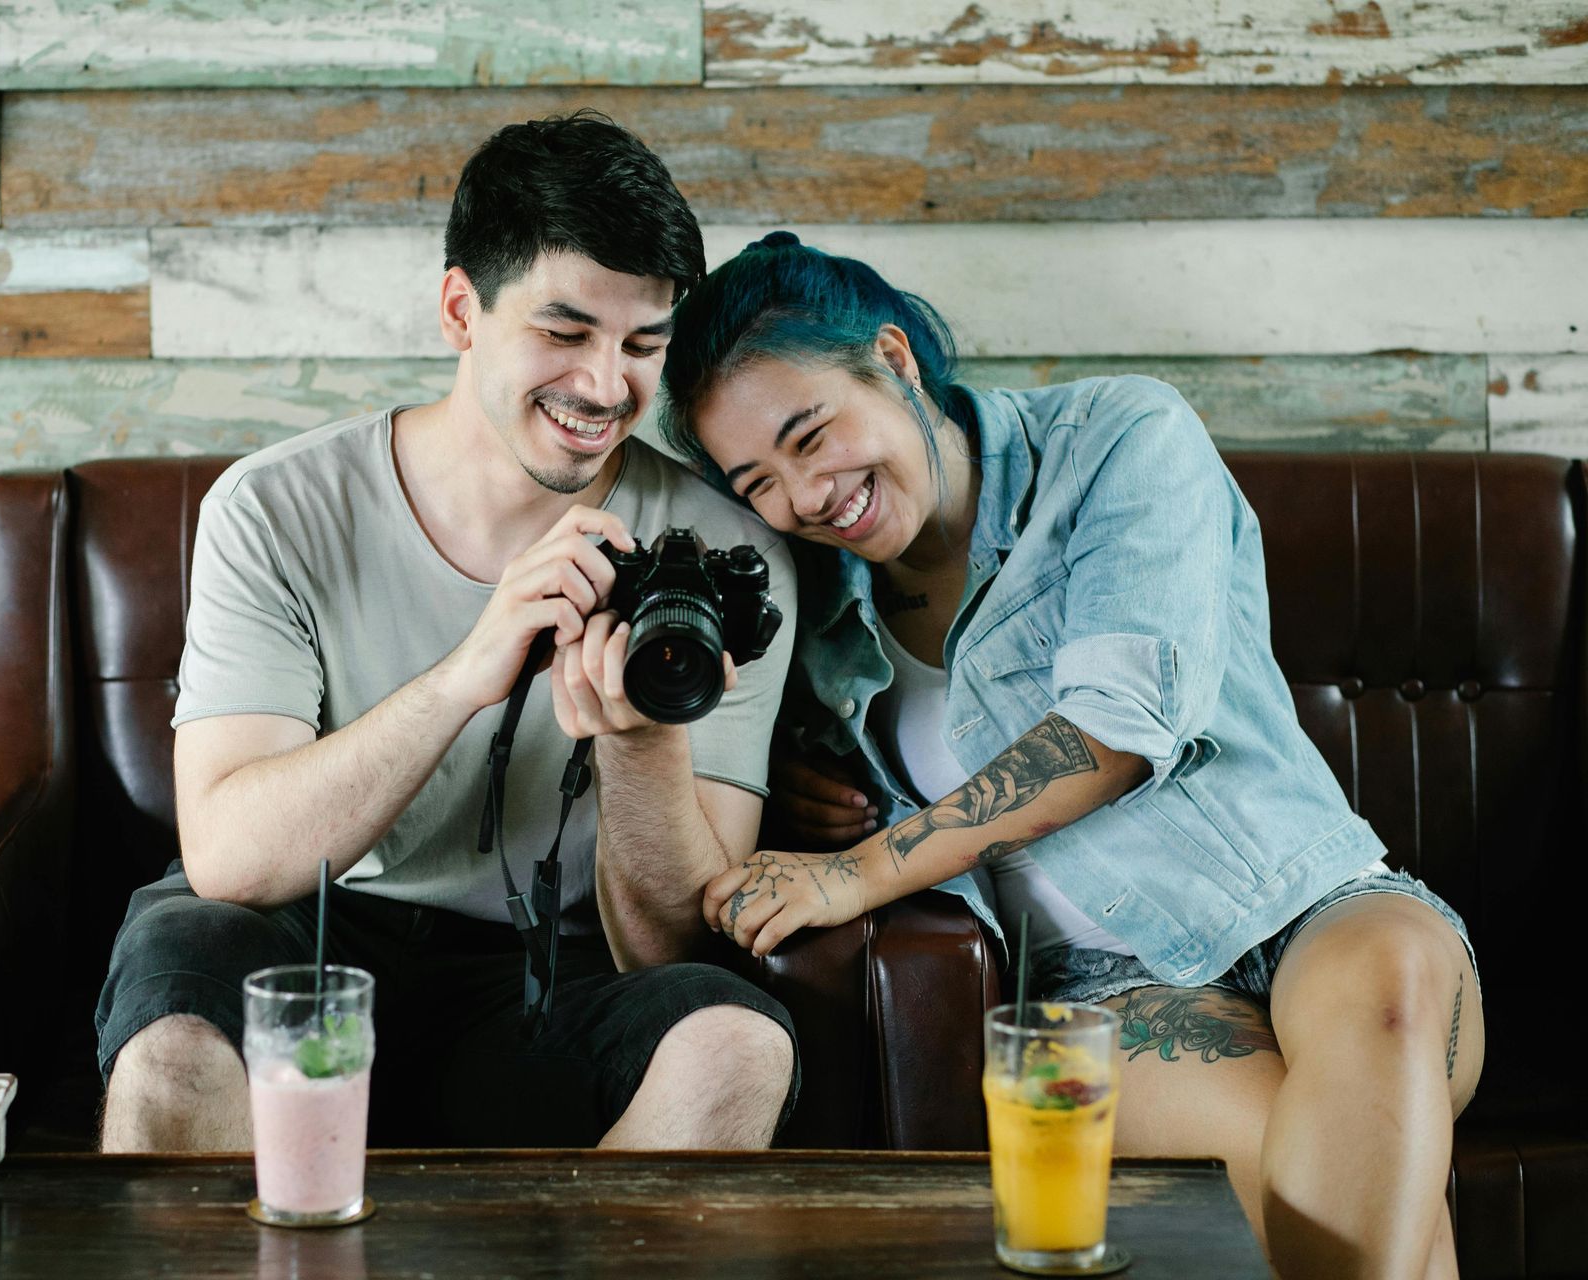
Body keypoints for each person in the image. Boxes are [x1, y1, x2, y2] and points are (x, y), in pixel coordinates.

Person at [659, 231, 1483, 1278]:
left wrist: (863, 865)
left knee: (1395, 981)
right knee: (1326, 1151)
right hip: (1111, 987)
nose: (805, 497)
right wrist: (810, 803)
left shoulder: (1115, 438)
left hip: (1309, 895)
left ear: (896, 359)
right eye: (757, 480)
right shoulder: (811, 598)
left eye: (810, 433)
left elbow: (1118, 723)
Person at [95, 114, 801, 1152]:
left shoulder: (721, 558)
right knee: (180, 1023)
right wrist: (468, 673)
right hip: (306, 931)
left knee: (738, 1044)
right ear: (460, 308)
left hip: (546, 977)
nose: (606, 387)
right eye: (563, 333)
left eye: (642, 345)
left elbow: (671, 946)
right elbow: (233, 855)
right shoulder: (278, 506)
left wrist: (641, 738)